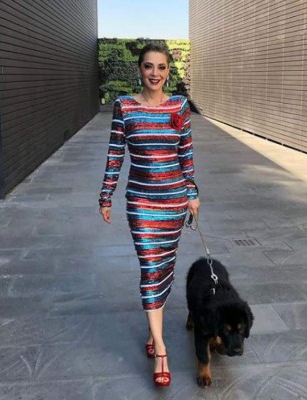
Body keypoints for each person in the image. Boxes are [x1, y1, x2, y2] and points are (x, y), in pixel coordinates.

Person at [98, 43, 200, 387]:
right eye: (148, 66)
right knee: (149, 269)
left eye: (161, 67)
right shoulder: (124, 106)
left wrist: (192, 193)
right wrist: (106, 195)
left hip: (173, 202)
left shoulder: (179, 106)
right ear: (139, 69)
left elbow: (186, 155)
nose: (154, 73)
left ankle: (152, 331)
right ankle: (161, 349)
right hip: (141, 203)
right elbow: (115, 154)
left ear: (168, 71)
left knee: (164, 270)